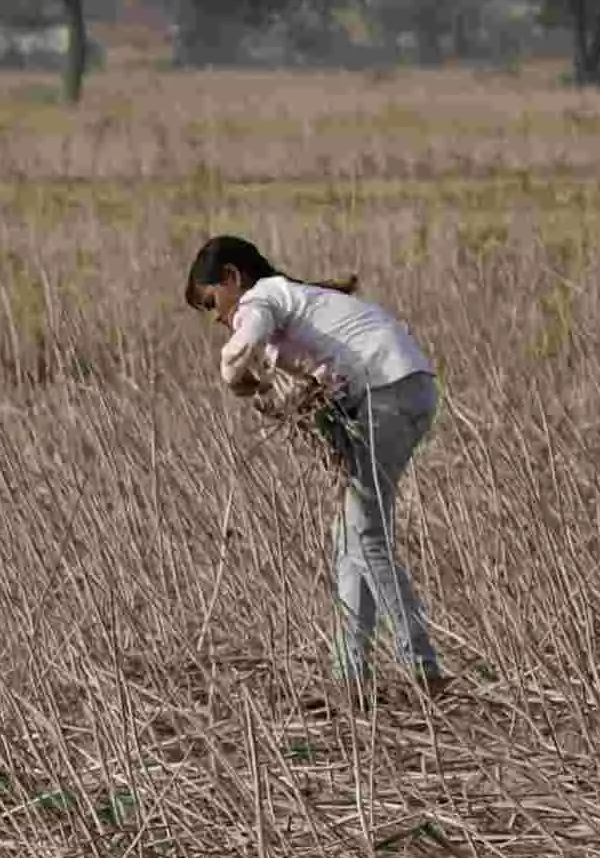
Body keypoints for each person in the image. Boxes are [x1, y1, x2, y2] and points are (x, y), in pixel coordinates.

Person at [186, 234, 450, 700]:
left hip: (384, 394)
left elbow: (242, 346)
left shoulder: (261, 297)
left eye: (212, 303)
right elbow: (296, 390)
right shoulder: (300, 301)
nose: (217, 318)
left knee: (367, 534)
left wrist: (233, 373)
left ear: (231, 277)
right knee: (349, 536)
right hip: (412, 388)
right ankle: (350, 678)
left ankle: (422, 667)